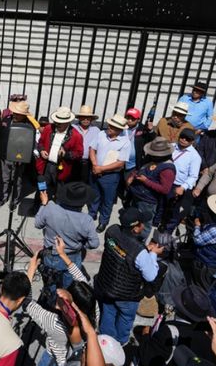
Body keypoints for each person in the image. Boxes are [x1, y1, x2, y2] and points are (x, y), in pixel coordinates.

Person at [94, 206, 164, 346]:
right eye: (141, 223)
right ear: (136, 228)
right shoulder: (140, 252)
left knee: (108, 312)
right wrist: (153, 253)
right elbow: (151, 276)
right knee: (125, 318)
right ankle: (121, 343)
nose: (144, 226)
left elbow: (122, 252)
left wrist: (144, 250)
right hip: (127, 295)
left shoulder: (111, 231)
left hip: (106, 286)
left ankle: (105, 342)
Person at [35, 182, 99, 287]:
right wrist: (81, 244)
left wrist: (44, 204)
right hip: (72, 256)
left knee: (50, 284)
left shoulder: (50, 208)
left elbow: (38, 224)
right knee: (68, 286)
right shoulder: (86, 220)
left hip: (51, 254)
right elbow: (94, 244)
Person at [88, 114, 132, 233]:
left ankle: (103, 221)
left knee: (107, 200)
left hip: (110, 176)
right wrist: (94, 164)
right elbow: (92, 149)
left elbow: (120, 163)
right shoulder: (101, 134)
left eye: (113, 127)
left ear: (119, 130)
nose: (109, 128)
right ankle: (91, 214)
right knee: (94, 195)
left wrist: (101, 169)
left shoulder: (125, 142)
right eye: (110, 125)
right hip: (95, 170)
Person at [35, 107, 85, 206]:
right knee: (41, 187)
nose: (57, 124)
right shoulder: (48, 128)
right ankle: (37, 206)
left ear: (67, 122)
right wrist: (41, 150)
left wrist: (66, 154)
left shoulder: (76, 135)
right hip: (45, 166)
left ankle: (57, 211)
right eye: (56, 121)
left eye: (60, 122)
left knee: (60, 191)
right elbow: (40, 142)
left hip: (62, 168)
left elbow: (79, 154)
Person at [127, 136, 176, 234]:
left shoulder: (167, 169)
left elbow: (165, 189)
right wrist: (133, 175)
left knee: (144, 225)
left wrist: (146, 181)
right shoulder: (152, 160)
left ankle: (139, 244)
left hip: (148, 201)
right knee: (134, 221)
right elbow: (142, 169)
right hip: (138, 196)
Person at [160, 128, 201, 232]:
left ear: (192, 141)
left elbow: (193, 176)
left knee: (174, 213)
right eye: (182, 137)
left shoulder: (195, 156)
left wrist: (183, 187)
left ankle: (166, 233)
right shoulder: (171, 146)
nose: (183, 140)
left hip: (178, 186)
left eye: (187, 139)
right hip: (164, 182)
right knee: (161, 207)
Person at [0, 100, 37, 209]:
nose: (15, 115)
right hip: (5, 155)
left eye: (18, 114)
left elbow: (30, 143)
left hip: (19, 158)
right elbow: (0, 136)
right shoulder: (6, 120)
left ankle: (14, 200)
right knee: (4, 178)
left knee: (17, 180)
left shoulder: (29, 126)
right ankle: (3, 197)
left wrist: (23, 157)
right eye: (14, 112)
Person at [73, 105, 101, 184]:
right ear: (79, 118)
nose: (86, 119)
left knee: (84, 184)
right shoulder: (72, 128)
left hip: (87, 163)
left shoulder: (96, 130)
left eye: (88, 117)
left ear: (91, 119)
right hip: (73, 161)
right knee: (71, 183)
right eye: (83, 117)